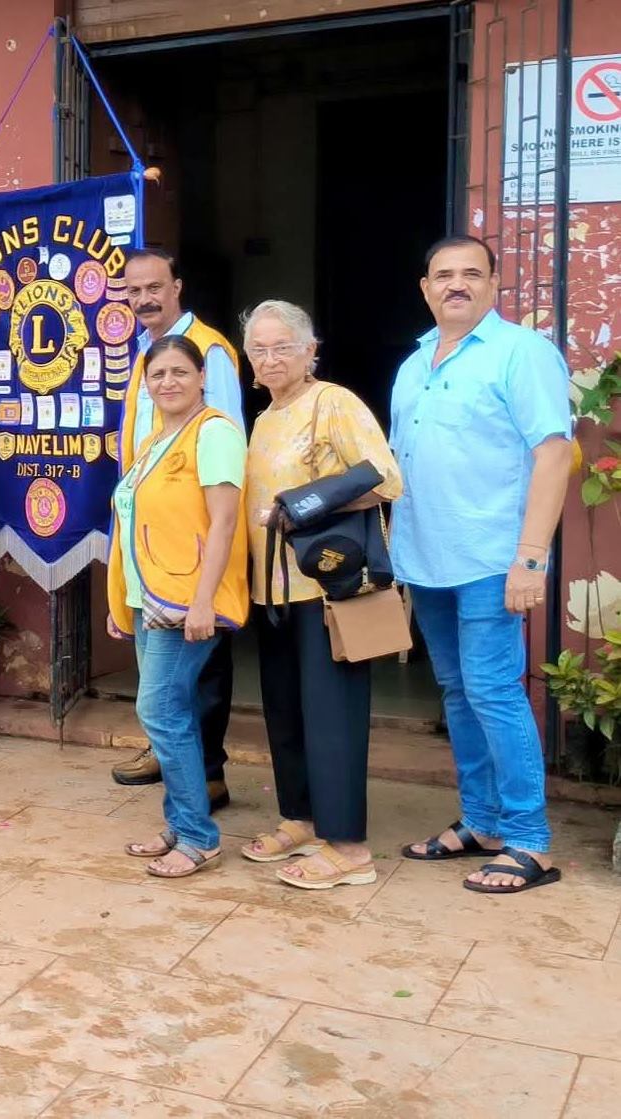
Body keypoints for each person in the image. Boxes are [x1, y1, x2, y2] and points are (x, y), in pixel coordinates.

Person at [393, 235, 574, 894]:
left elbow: (553, 453)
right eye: (444, 274)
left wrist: (531, 557)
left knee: (494, 691)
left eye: (472, 273)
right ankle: (484, 822)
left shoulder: (522, 352)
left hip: (493, 558)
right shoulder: (414, 363)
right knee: (458, 691)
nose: (457, 284)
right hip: (427, 560)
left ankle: (529, 839)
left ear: (495, 284)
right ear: (426, 288)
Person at [238, 300, 402, 890]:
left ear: (311, 350)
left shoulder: (332, 402)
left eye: (283, 346)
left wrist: (304, 506)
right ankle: (302, 820)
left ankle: (349, 848)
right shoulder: (264, 418)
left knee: (332, 717)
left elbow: (386, 478)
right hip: (274, 590)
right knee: (284, 712)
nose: (270, 358)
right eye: (259, 349)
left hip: (328, 587)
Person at [107, 334, 247, 879]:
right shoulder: (157, 439)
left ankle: (197, 837)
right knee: (172, 712)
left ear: (202, 378)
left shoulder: (213, 433)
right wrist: (123, 599)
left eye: (180, 372)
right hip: (150, 598)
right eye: (158, 374)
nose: (168, 382)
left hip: (186, 599)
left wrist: (204, 600)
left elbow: (225, 523)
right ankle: (181, 822)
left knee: (160, 712)